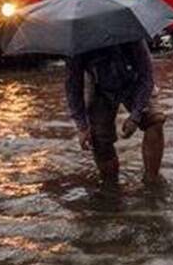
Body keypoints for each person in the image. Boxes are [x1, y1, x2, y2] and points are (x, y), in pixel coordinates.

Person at [66, 41, 166, 185]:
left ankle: (152, 179)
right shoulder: (78, 45)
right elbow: (73, 87)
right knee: (98, 139)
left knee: (155, 120)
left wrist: (135, 116)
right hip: (99, 88)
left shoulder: (131, 36)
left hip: (134, 82)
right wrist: (82, 126)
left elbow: (147, 76)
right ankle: (110, 185)